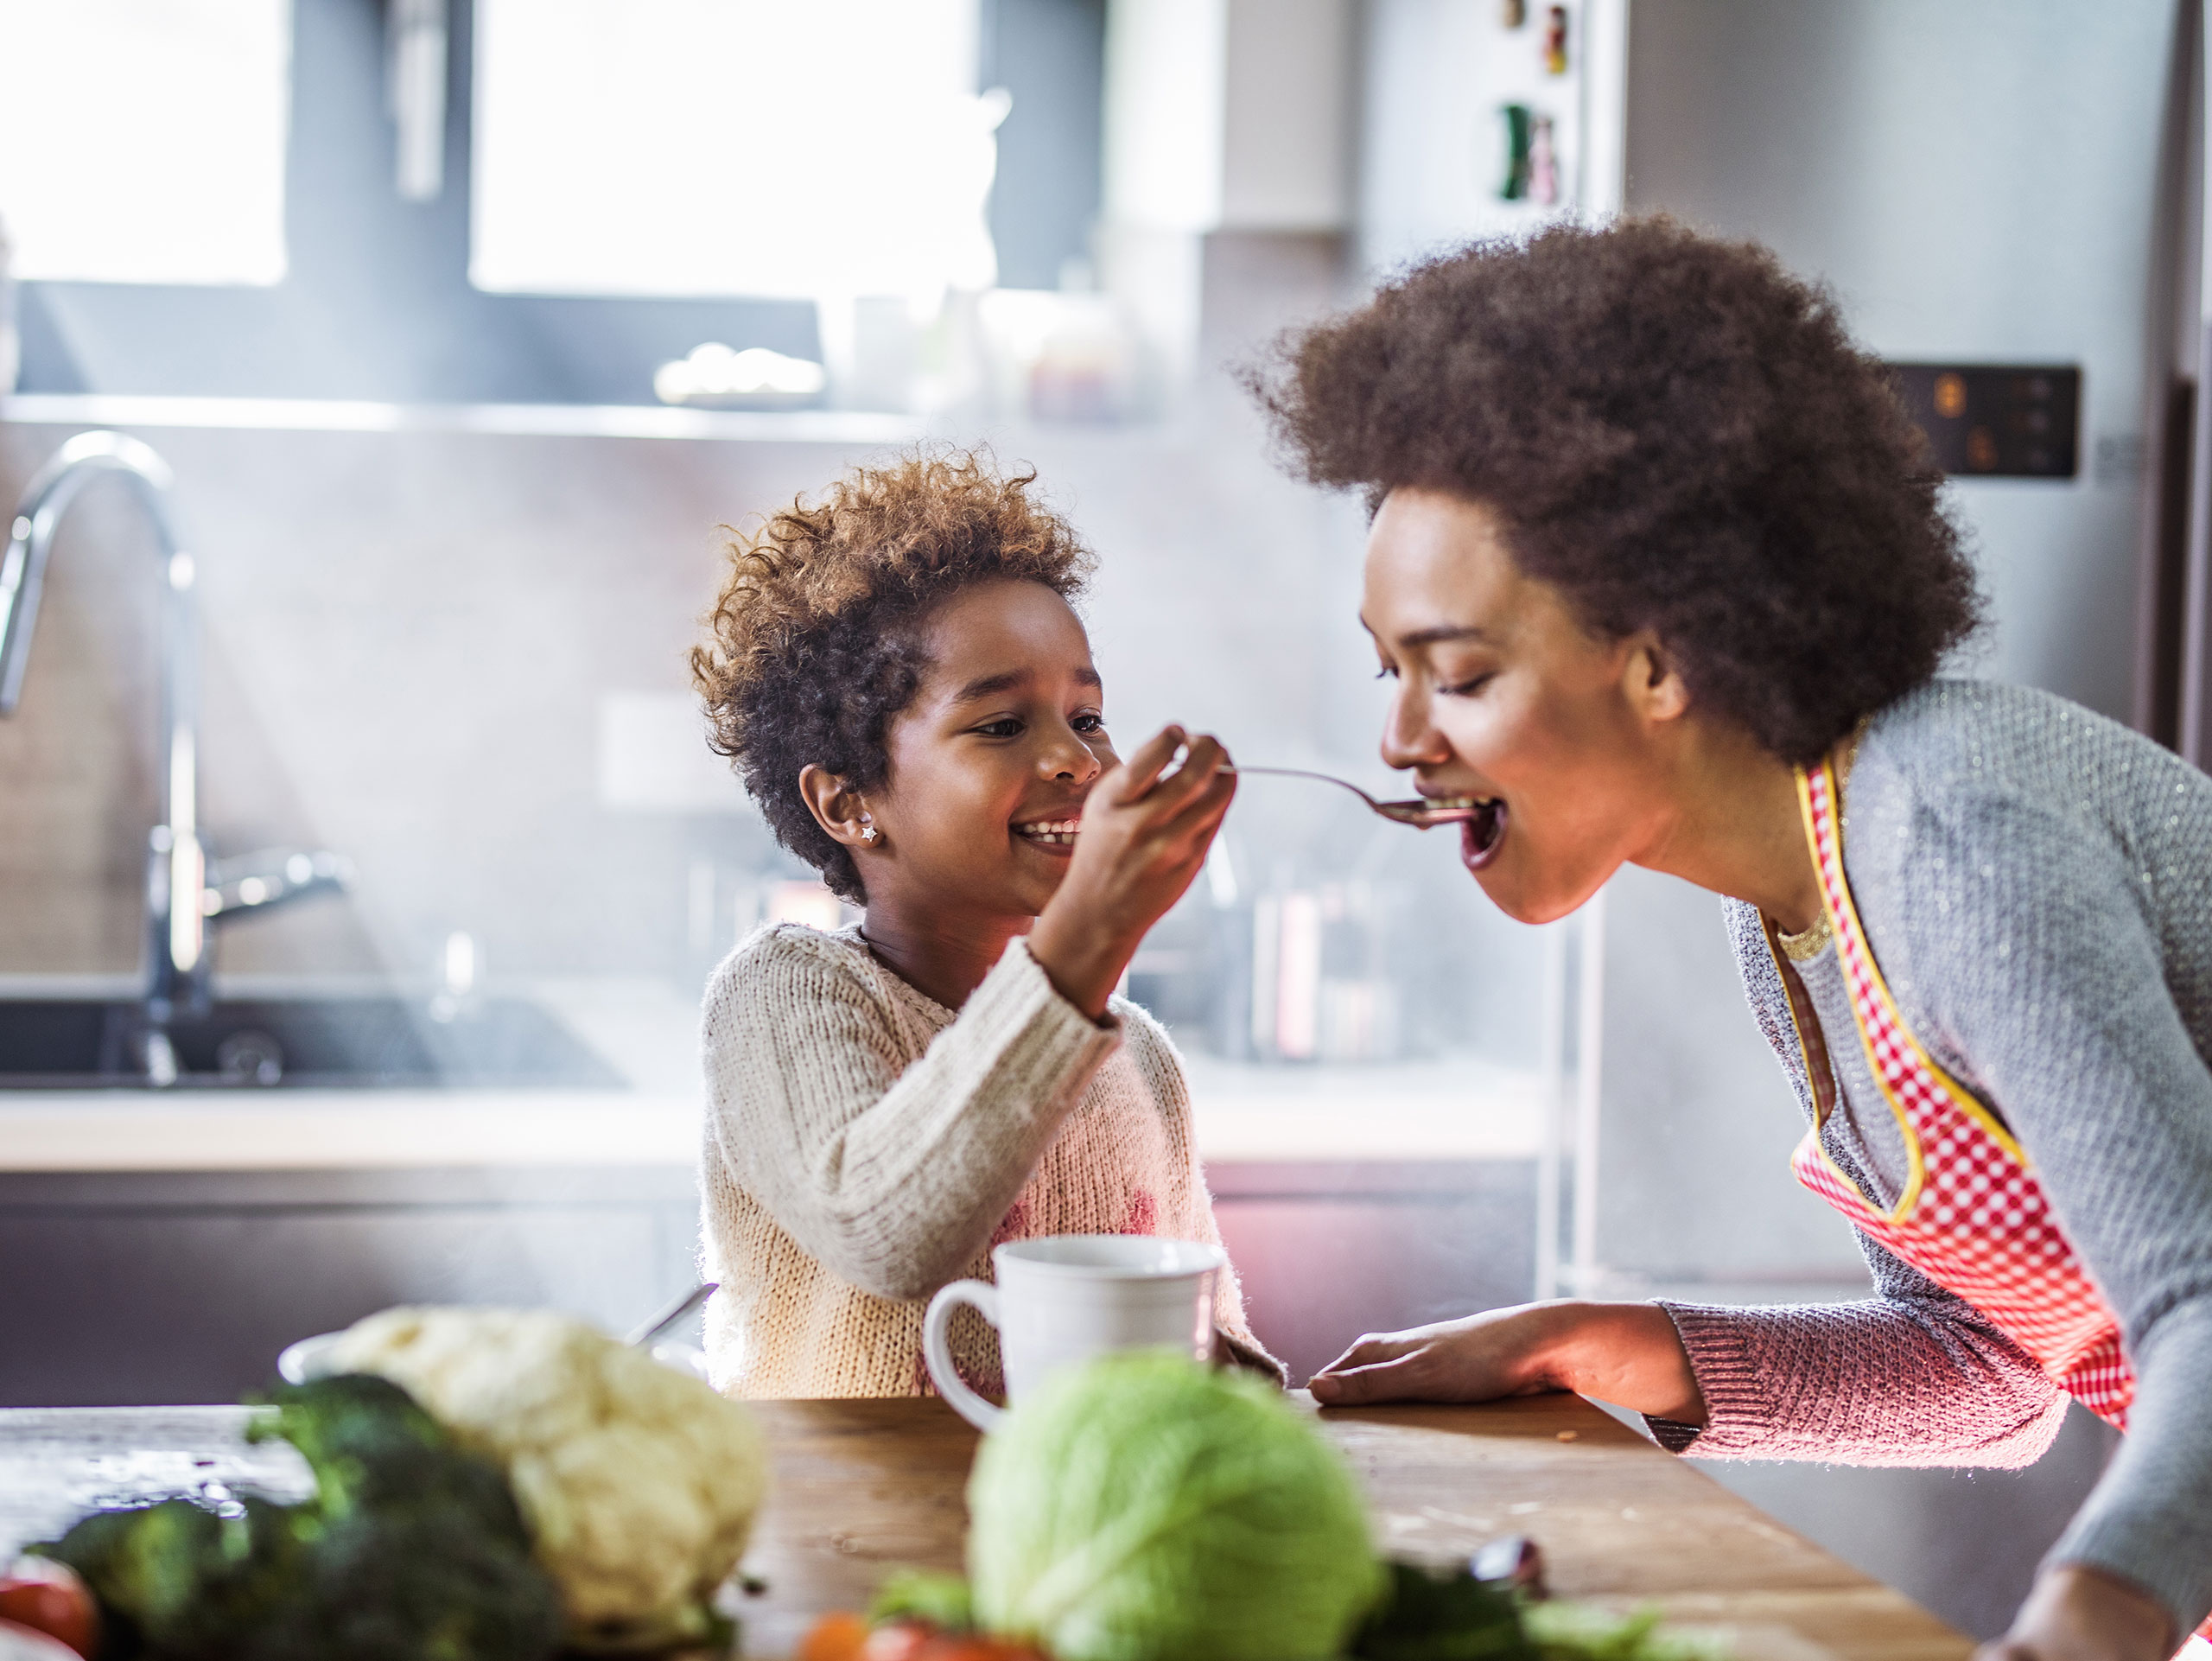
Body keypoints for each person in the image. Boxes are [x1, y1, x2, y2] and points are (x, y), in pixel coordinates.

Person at [1251, 219, 2212, 1661]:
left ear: (1655, 660)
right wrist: (1602, 1338)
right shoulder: (1791, 905)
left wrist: (2093, 1611)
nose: (1397, 743)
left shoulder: (1950, 832)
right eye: (1390, 673)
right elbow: (1997, 1373)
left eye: (1454, 675)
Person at [689, 448, 1274, 1399]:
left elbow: (1205, 1336)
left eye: (1086, 716)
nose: (1078, 761)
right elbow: (880, 1230)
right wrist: (1089, 938)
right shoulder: (785, 993)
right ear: (847, 803)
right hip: (842, 1540)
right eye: (1001, 725)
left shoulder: (1139, 1057)